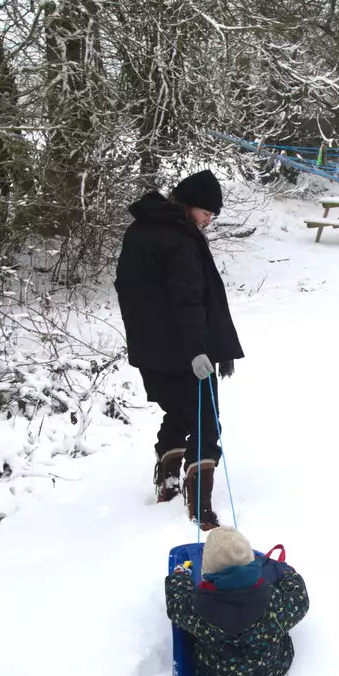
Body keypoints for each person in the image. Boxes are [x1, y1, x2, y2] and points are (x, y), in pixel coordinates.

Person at [115, 169, 244, 528]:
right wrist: (198, 349)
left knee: (178, 412)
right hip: (186, 351)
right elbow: (187, 299)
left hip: (151, 350)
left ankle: (168, 480)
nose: (208, 220)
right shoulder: (179, 239)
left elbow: (130, 292)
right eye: (206, 212)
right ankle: (200, 506)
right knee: (205, 420)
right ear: (189, 205)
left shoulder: (139, 230)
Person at [166, 528, 310, 676]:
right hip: (272, 670)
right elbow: (300, 599)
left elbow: (175, 603)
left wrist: (179, 576)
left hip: (215, 673)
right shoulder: (276, 602)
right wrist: (288, 575)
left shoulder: (198, 608)